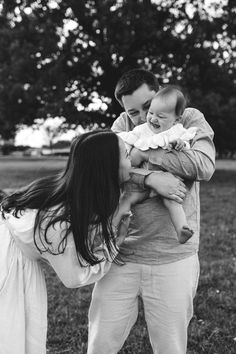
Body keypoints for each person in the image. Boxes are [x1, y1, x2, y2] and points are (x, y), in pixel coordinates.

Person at [87, 69, 215, 354]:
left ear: (159, 95)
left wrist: (146, 155)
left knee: (170, 347)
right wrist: (148, 177)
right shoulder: (123, 124)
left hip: (172, 257)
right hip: (122, 255)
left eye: (149, 106)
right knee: (100, 344)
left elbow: (203, 166)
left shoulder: (188, 117)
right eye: (135, 112)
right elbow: (108, 171)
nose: (146, 117)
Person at [0, 130, 136, 354]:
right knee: (9, 333)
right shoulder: (61, 220)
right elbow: (74, 278)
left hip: (11, 248)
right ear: (108, 166)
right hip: (9, 262)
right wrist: (116, 242)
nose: (132, 158)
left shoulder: (70, 193)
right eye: (126, 154)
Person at [119, 85, 198, 243]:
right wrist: (133, 153)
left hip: (168, 182)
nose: (152, 119)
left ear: (176, 119)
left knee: (173, 202)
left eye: (161, 116)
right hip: (142, 182)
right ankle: (115, 233)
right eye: (151, 113)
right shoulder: (141, 130)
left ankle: (182, 229)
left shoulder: (177, 131)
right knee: (124, 202)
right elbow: (128, 152)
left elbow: (186, 148)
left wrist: (180, 144)